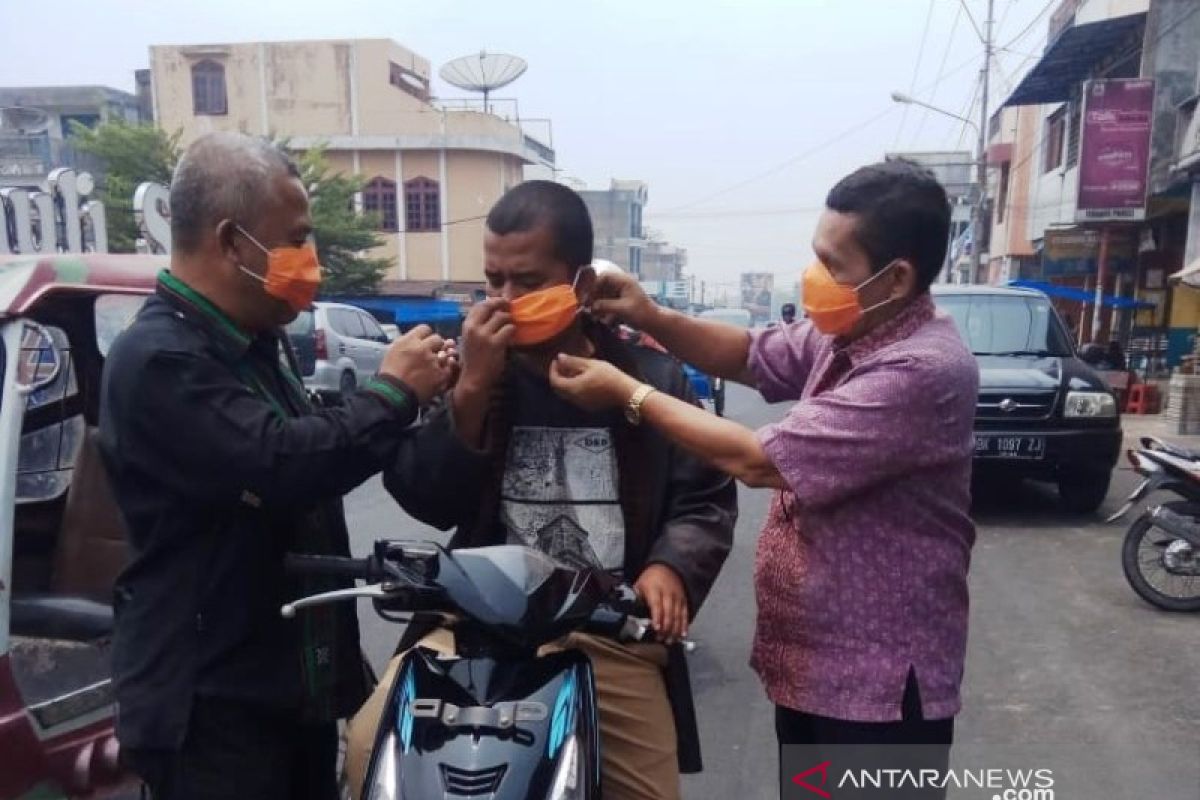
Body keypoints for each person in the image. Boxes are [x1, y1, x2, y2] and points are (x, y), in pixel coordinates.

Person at [549, 160, 978, 797]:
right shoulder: (854, 331)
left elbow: (758, 461)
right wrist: (653, 317)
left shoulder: (921, 369)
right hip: (817, 669)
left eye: (834, 264)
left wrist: (627, 393)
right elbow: (752, 354)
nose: (816, 278)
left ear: (897, 278)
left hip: (880, 689)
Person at [345, 181, 737, 800]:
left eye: (526, 283)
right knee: (368, 749)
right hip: (474, 624)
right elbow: (425, 497)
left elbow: (704, 496)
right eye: (493, 280)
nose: (503, 300)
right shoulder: (468, 372)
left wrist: (671, 567)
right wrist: (470, 390)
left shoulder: (649, 379)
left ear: (579, 284)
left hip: (609, 632)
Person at [100, 133, 454, 799]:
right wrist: (393, 391)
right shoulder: (160, 361)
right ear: (233, 241)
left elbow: (318, 442)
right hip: (213, 705)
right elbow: (282, 461)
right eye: (296, 237)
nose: (310, 259)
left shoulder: (256, 346)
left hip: (289, 688)